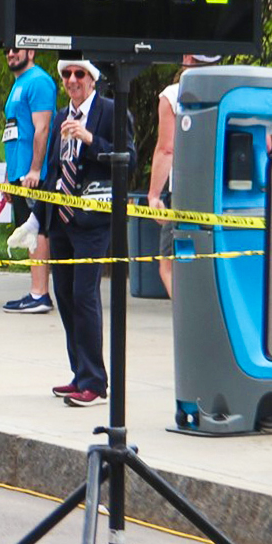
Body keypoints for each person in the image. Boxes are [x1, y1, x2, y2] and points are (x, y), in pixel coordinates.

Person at [46, 59, 130, 408]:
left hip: (93, 220)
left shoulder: (110, 110)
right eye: (66, 74)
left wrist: (90, 138)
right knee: (64, 295)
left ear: (93, 79)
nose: (72, 80)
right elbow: (55, 168)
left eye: (79, 74)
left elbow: (129, 157)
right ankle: (80, 373)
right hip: (61, 219)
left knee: (85, 295)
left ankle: (95, 382)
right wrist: (39, 218)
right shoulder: (60, 116)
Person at [146, 54, 217, 298]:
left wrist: (154, 195)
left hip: (186, 192)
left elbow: (166, 149)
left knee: (169, 263)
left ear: (187, 57)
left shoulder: (172, 95)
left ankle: (189, 321)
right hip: (222, 193)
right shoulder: (231, 89)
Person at [0, 46, 58, 313]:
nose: (11, 54)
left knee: (37, 229)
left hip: (35, 174)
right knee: (27, 228)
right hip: (18, 173)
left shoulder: (39, 81)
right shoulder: (18, 84)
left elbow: (42, 128)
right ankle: (36, 290)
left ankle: (40, 294)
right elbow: (13, 132)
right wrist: (8, 176)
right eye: (7, 51)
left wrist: (35, 170)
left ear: (31, 52)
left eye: (17, 49)